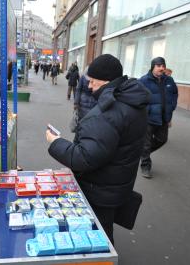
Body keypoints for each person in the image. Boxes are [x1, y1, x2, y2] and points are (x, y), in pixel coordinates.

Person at [46, 54, 150, 244]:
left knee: (98, 236)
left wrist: (55, 142)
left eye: (92, 82)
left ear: (106, 81)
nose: (90, 86)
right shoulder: (132, 102)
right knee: (104, 228)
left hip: (99, 190)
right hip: (116, 185)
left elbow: (85, 158)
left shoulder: (109, 113)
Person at [139, 57, 178, 178]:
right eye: (159, 65)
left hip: (164, 118)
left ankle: (143, 153)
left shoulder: (169, 80)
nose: (162, 68)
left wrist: (171, 109)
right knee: (146, 143)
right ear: (153, 67)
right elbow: (137, 98)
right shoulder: (143, 81)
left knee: (162, 139)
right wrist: (146, 111)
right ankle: (145, 166)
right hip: (149, 118)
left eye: (163, 65)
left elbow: (174, 94)